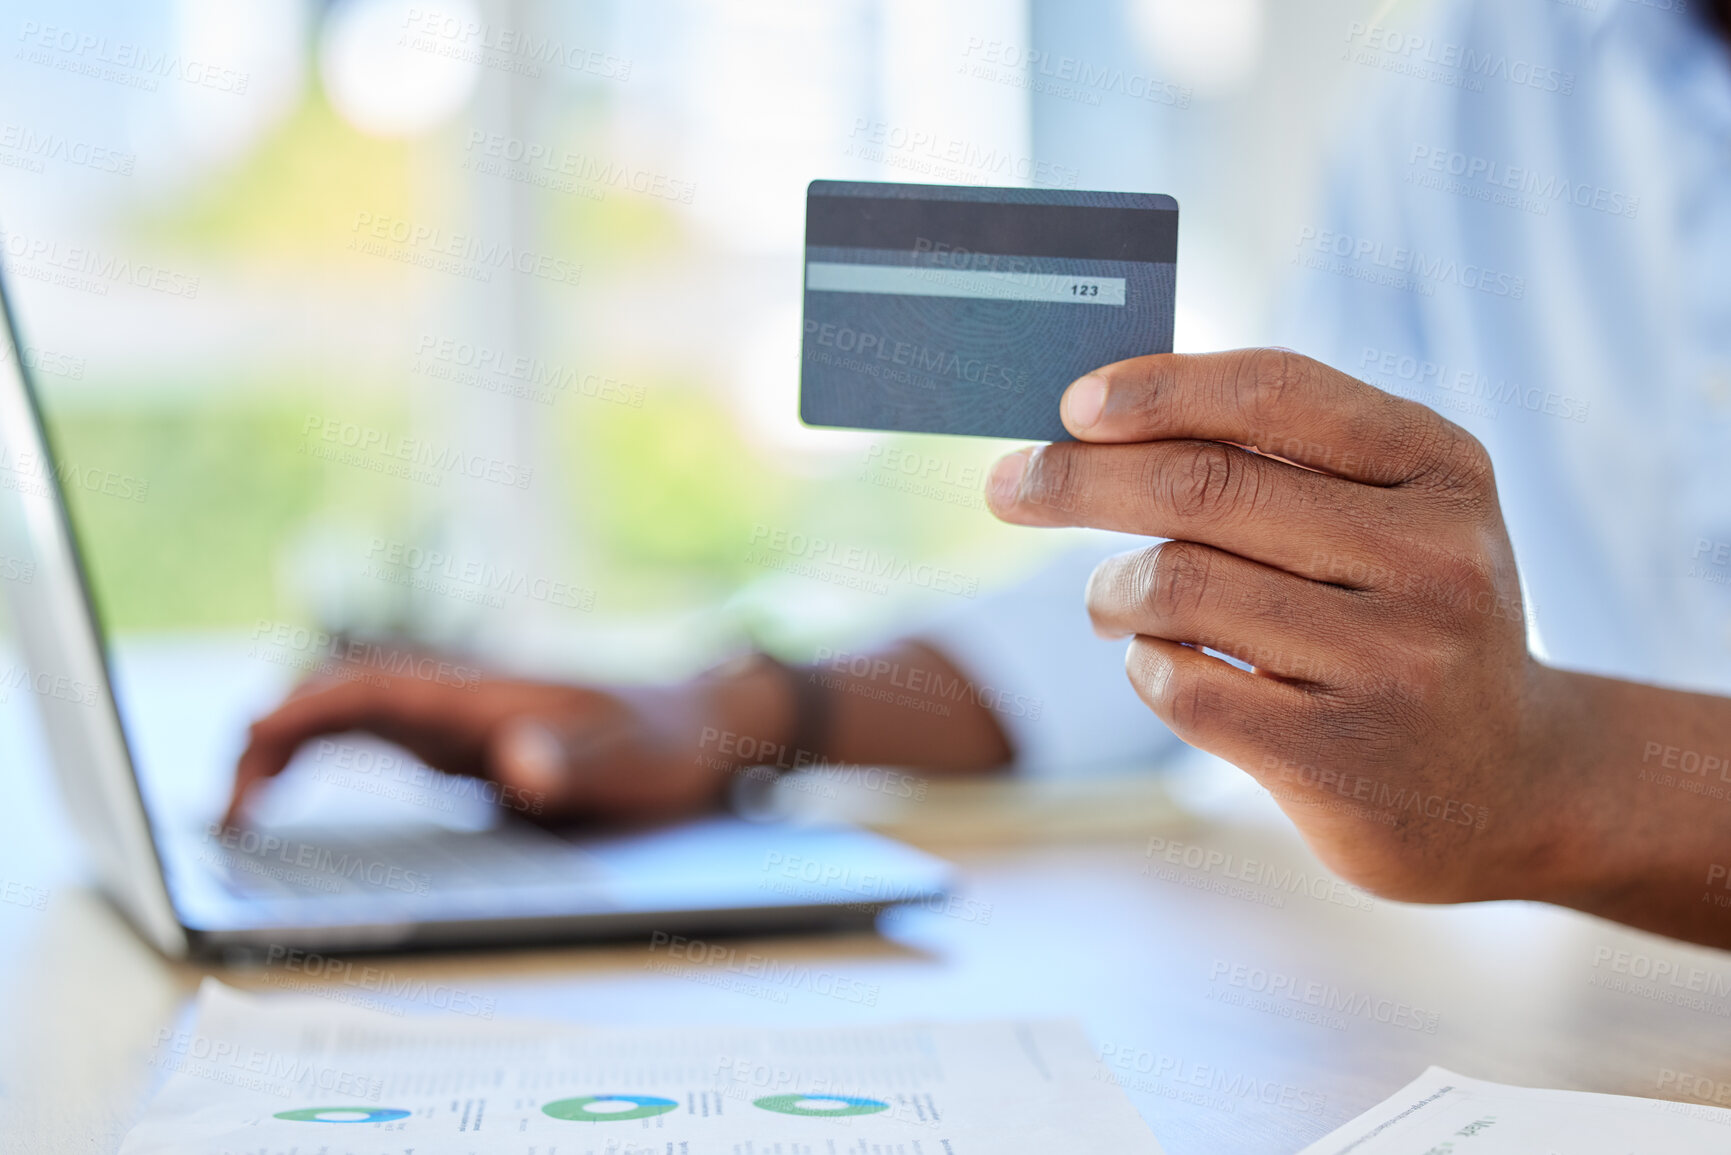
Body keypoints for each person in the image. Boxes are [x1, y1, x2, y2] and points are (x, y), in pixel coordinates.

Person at [228, 0, 1731, 950]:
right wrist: (732, 713)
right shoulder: (1489, 63)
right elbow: (1225, 597)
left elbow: (1506, 747)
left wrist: (1556, 776)